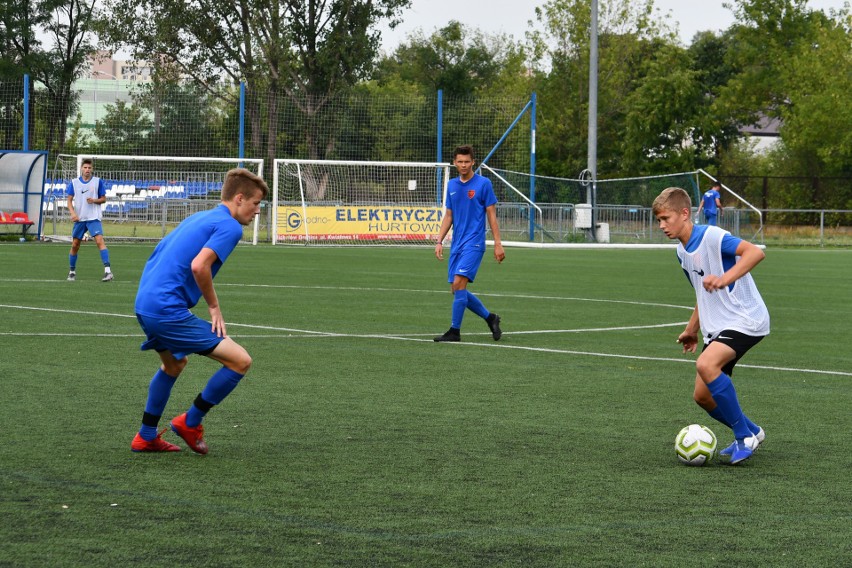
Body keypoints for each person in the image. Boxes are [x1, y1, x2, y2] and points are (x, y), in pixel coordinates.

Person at [130, 168, 269, 453]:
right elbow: (198, 265)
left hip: (146, 304)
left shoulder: (200, 216)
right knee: (240, 361)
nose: (257, 211)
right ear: (239, 198)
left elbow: (160, 252)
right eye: (256, 204)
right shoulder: (230, 226)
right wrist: (214, 307)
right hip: (167, 310)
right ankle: (190, 423)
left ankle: (145, 436)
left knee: (173, 365)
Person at [652, 187, 769, 465]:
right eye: (658, 220)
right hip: (718, 326)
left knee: (706, 365)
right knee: (702, 396)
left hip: (745, 318)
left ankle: (744, 437)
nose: (662, 225)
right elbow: (700, 292)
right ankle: (753, 430)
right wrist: (691, 329)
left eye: (666, 218)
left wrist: (726, 278)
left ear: (684, 213)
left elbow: (754, 253)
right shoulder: (681, 252)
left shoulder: (712, 237)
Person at [433, 145, 505, 343]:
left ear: (473, 162)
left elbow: (492, 215)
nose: (463, 165)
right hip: (456, 244)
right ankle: (491, 318)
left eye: (467, 161)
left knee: (458, 283)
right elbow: (449, 215)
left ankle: (454, 332)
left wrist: (498, 244)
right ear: (455, 163)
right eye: (460, 161)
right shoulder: (453, 185)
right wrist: (439, 241)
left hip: (474, 243)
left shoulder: (483, 184)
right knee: (457, 289)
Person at [66, 159, 113, 281]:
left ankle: (108, 271)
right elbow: (69, 200)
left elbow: (103, 199)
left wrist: (94, 201)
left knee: (99, 241)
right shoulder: (74, 183)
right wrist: (73, 213)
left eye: (89, 168)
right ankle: (72, 271)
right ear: (81, 169)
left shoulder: (98, 182)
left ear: (92, 169)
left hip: (93, 218)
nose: (87, 170)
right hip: (80, 219)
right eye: (85, 167)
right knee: (75, 244)